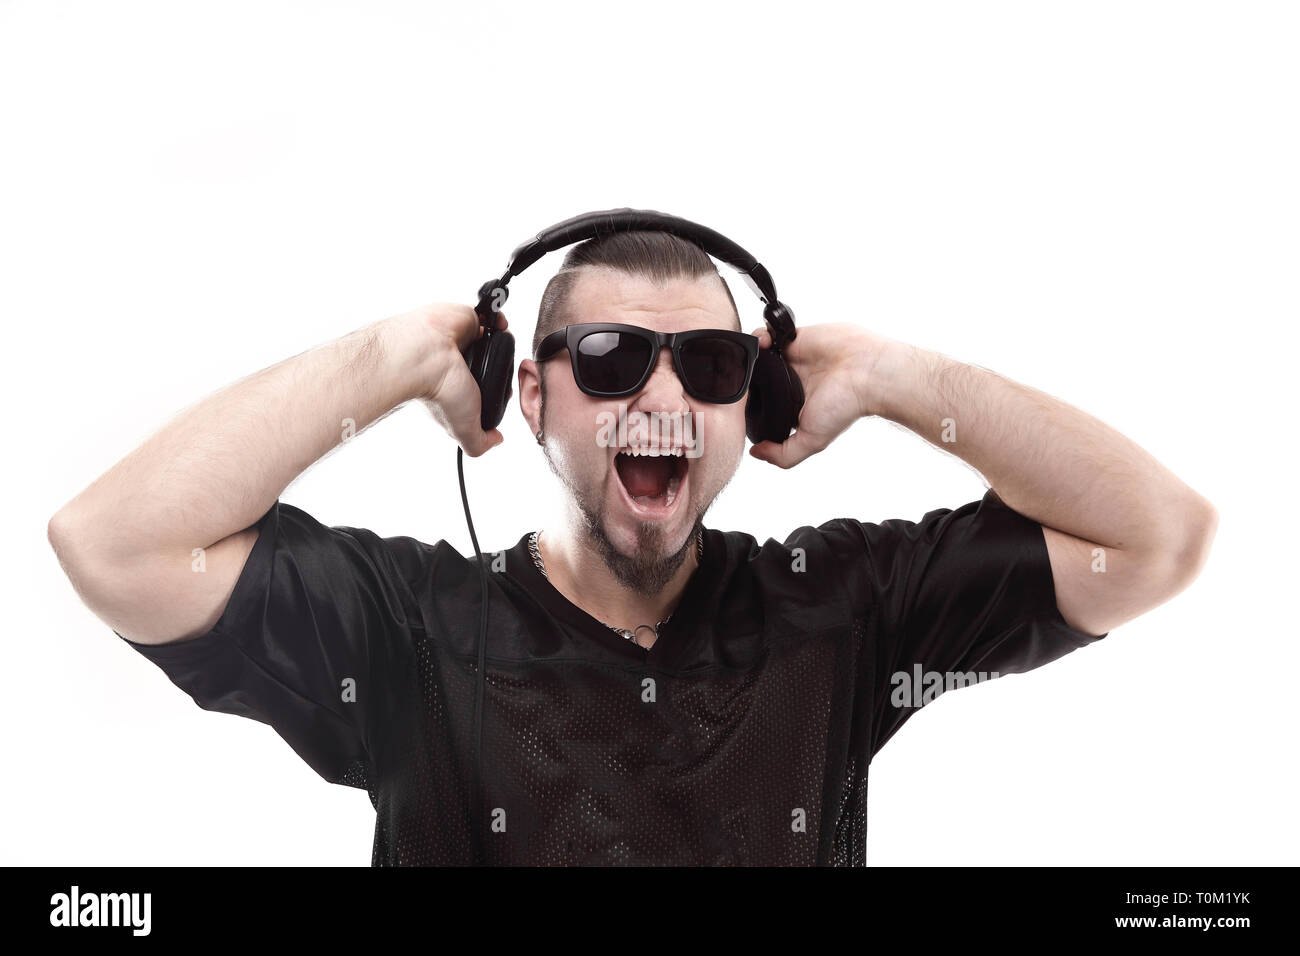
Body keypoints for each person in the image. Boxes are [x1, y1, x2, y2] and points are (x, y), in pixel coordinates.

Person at [47, 230, 1217, 866]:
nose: (661, 392)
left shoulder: (841, 610)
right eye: (607, 356)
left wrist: (898, 378)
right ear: (535, 397)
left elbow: (1157, 537)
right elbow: (116, 544)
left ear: (746, 402)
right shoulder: (410, 631)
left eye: (707, 365)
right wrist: (396, 357)